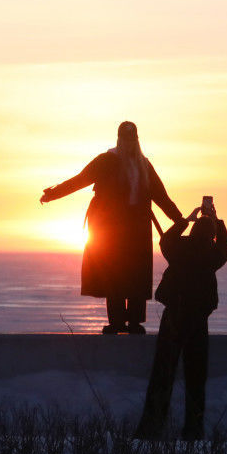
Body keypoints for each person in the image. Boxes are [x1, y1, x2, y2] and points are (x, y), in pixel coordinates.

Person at [40, 121, 183, 334]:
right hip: (111, 232)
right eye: (125, 139)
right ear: (119, 139)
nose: (129, 143)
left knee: (136, 277)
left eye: (132, 139)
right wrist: (54, 193)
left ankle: (134, 323)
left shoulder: (144, 164)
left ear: (136, 140)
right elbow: (81, 180)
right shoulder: (106, 160)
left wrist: (177, 218)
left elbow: (160, 195)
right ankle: (116, 322)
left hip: (137, 231)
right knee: (114, 276)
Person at [134, 199, 227, 440]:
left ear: (194, 229)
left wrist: (185, 221)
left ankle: (152, 427)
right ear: (211, 236)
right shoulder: (211, 255)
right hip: (198, 320)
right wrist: (217, 221)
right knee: (196, 377)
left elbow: (165, 240)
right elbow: (226, 248)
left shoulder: (179, 249)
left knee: (163, 373)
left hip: (174, 316)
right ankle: (193, 430)